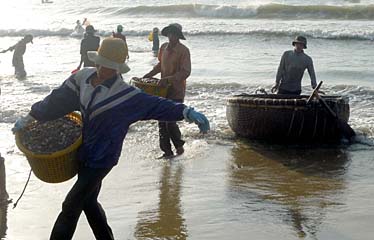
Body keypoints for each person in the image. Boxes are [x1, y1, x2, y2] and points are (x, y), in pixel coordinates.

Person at [12, 37, 209, 239]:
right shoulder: (82, 80)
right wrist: (31, 116)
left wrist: (186, 112)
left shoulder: (127, 96)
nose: (102, 69)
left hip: (103, 158)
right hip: (84, 152)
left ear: (117, 69)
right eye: (101, 63)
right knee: (88, 203)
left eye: (109, 67)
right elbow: (57, 101)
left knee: (70, 204)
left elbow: (157, 105)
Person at [143, 23, 191, 158]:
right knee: (161, 121)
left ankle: (179, 146)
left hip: (176, 90)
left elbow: (185, 72)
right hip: (162, 90)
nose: (171, 36)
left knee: (170, 121)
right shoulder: (163, 47)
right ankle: (166, 151)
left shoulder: (183, 51)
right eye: (170, 33)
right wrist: (150, 74)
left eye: (174, 34)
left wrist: (168, 79)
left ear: (178, 36)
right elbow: (160, 65)